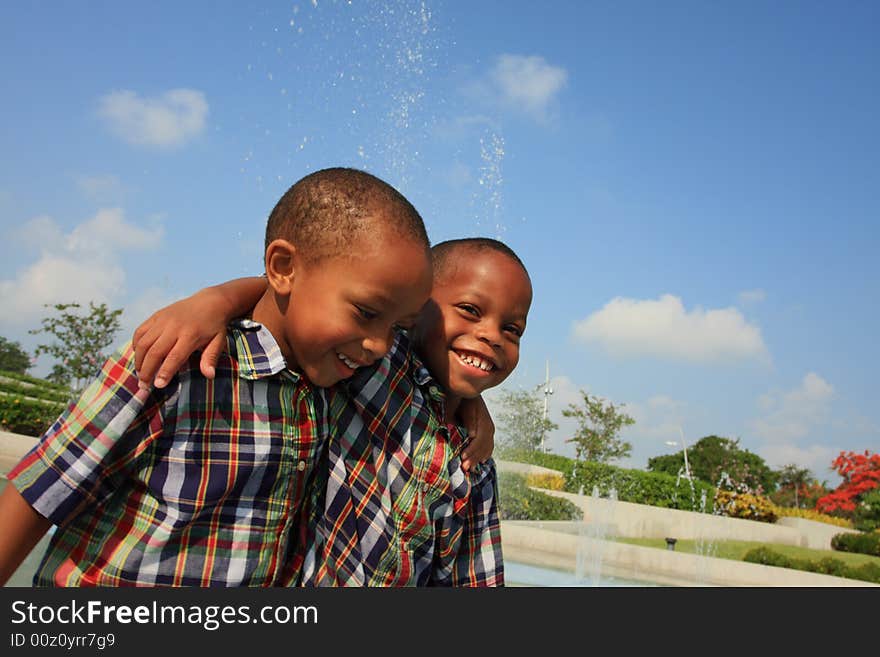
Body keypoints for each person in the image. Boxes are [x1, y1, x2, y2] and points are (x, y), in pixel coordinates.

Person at [0, 167, 438, 586]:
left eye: (398, 328)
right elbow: (40, 493)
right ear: (283, 267)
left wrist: (474, 409)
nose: (381, 345)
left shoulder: (338, 379)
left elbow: (439, 366)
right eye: (366, 313)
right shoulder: (177, 361)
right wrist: (215, 301)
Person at [128, 237, 532, 585]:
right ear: (412, 311)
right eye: (470, 310)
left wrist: (470, 402)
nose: (491, 336)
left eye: (512, 330)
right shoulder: (378, 367)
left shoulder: (474, 464)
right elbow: (301, 294)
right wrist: (214, 302)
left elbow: (472, 576)